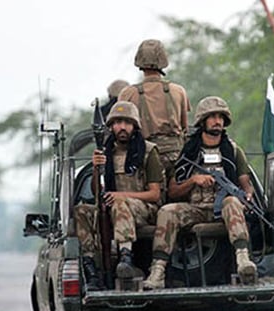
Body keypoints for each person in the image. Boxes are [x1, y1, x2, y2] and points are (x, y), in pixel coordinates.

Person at [143, 96, 257, 290]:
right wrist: (193, 180)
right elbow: (173, 190)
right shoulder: (189, 152)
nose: (217, 121)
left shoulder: (233, 150)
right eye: (212, 117)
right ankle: (158, 271)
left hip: (224, 210)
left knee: (232, 202)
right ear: (202, 121)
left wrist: (246, 196)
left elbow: (245, 183)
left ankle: (243, 261)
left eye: (220, 117)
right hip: (196, 209)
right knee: (167, 211)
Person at [75, 101, 164, 291]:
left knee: (119, 202)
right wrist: (97, 167)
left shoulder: (148, 151)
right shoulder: (106, 152)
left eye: (127, 122)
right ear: (111, 126)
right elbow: (98, 193)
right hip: (113, 208)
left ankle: (126, 257)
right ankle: (91, 267)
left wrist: (120, 195)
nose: (122, 127)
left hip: (144, 210)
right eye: (117, 122)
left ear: (135, 126)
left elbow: (155, 194)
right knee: (81, 210)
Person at [118, 39, 190, 171]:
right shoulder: (178, 91)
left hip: (143, 156)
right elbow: (184, 127)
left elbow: (119, 128)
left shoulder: (127, 93)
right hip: (176, 157)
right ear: (163, 61)